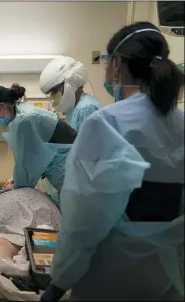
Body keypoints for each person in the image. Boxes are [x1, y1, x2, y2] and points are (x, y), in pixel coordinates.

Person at [41, 22, 184, 301]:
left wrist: (59, 282)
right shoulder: (180, 125)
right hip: (168, 277)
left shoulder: (108, 122)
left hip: (113, 274)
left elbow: (85, 221)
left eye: (107, 62)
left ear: (117, 63)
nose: (106, 71)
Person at [0, 84, 77, 195]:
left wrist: (15, 190)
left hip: (73, 170)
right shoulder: (21, 115)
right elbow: (29, 158)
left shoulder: (25, 119)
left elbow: (25, 164)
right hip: (68, 170)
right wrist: (16, 181)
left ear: (2, 106)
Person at [0, 186, 61, 265]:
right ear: (4, 185)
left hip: (45, 217)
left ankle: (42, 273)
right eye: (11, 181)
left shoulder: (41, 193)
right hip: (11, 223)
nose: (13, 181)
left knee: (46, 241)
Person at [39, 56, 103, 131]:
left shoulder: (87, 108)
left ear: (69, 83)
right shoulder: (74, 108)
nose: (52, 96)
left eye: (54, 91)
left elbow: (89, 142)